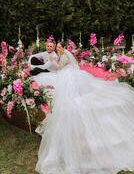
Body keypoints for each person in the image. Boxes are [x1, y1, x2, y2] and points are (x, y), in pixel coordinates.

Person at [33, 41, 134, 174]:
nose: (57, 48)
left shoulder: (63, 56)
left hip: (67, 74)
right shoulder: (59, 54)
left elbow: (59, 67)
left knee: (66, 88)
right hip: (64, 73)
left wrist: (53, 61)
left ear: (63, 48)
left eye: (58, 47)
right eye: (56, 47)